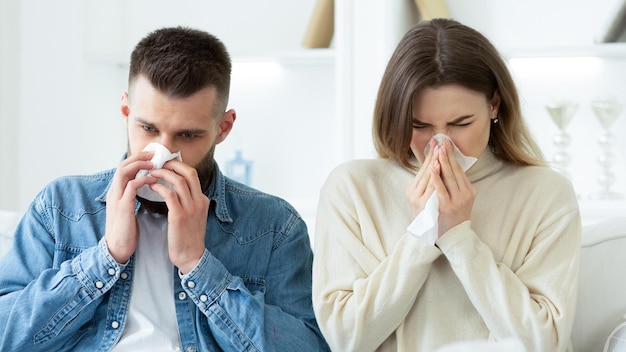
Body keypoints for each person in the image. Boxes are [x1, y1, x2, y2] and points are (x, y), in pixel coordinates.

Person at [0, 26, 328, 352]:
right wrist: (106, 256)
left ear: (223, 128)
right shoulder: (61, 206)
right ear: (126, 112)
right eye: (148, 128)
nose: (162, 155)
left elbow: (308, 347)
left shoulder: (274, 226)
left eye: (188, 135)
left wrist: (197, 264)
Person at [312, 18, 581, 352]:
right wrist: (422, 233)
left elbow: (545, 343)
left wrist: (459, 237)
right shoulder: (352, 188)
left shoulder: (546, 192)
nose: (441, 144)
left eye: (461, 123)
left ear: (494, 105)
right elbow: (346, 339)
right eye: (420, 125)